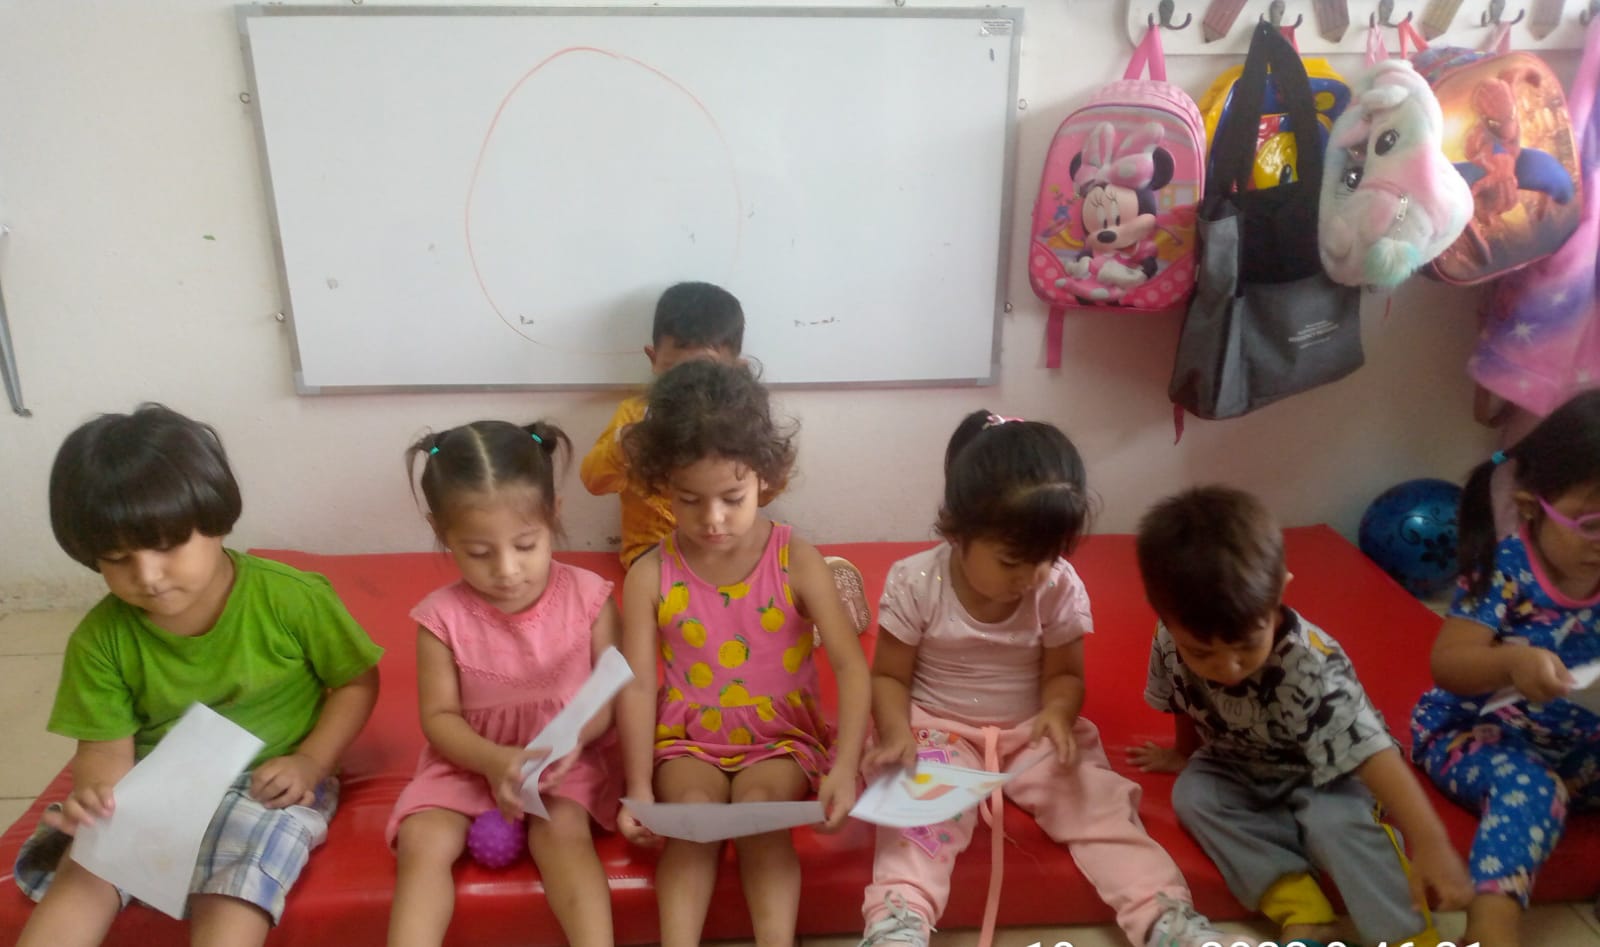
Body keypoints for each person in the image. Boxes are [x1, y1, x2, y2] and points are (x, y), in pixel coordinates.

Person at [13, 403, 383, 947]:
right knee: (83, 876)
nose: (148, 576)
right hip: (153, 788)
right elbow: (104, 751)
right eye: (117, 558)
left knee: (236, 892)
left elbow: (356, 682)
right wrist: (99, 797)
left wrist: (311, 761)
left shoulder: (291, 598)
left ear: (214, 520)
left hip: (267, 783)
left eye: (167, 547)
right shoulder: (99, 640)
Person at [860, 411, 1229, 947]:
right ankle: (899, 921)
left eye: (1048, 557)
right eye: (1012, 560)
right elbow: (889, 677)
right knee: (915, 818)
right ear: (959, 531)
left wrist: (1058, 712)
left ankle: (1164, 917)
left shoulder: (1056, 586)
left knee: (1098, 806)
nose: (1031, 576)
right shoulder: (916, 581)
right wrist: (896, 732)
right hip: (936, 729)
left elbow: (1065, 674)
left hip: (1032, 731)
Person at [1131, 485, 1472, 947]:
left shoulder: (1311, 667)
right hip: (1240, 757)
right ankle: (1303, 909)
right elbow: (1184, 698)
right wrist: (1182, 753)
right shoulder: (1173, 637)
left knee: (1334, 822)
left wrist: (1431, 841)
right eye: (1203, 653)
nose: (1228, 667)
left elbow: (1371, 753)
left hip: (1330, 768)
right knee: (1195, 795)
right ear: (1166, 617)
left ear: (1279, 591)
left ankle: (1409, 936)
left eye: (1246, 645)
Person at [613, 359, 870, 947]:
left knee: (760, 815)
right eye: (689, 500)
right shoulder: (650, 574)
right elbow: (638, 685)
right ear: (663, 486)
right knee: (693, 820)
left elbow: (851, 668)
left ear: (764, 478)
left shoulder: (796, 559)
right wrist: (639, 787)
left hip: (780, 738)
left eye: (732, 497)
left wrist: (845, 767)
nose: (713, 520)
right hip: (688, 738)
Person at [386, 420, 620, 947]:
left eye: (526, 544)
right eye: (479, 552)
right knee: (422, 840)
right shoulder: (439, 619)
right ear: (441, 532)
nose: (507, 570)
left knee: (562, 833)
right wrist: (493, 761)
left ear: (554, 514)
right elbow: (439, 718)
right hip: (468, 761)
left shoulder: (590, 598)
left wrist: (568, 743)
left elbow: (606, 695)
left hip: (563, 758)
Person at [1411, 389, 1600, 947]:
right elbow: (1448, 664)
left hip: (1569, 735)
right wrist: (1512, 661)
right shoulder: (1506, 569)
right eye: (1591, 522)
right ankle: (1491, 927)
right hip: (1471, 733)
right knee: (1534, 788)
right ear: (1530, 506)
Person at [581, 281, 746, 567]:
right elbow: (593, 482)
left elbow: (766, 492)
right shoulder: (635, 415)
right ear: (654, 360)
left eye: (705, 372)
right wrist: (622, 447)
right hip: (652, 550)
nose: (688, 386)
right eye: (675, 372)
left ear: (736, 371)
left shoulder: (742, 417)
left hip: (724, 545)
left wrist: (770, 467)